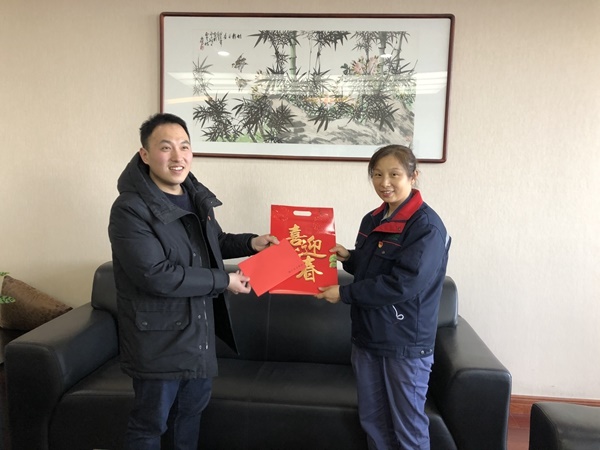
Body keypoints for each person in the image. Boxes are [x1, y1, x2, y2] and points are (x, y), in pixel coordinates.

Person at [108, 112, 278, 450]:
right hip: (158, 342)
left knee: (188, 419)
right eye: (166, 147)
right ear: (145, 154)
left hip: (197, 335)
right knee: (150, 425)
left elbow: (214, 242)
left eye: (184, 146)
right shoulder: (130, 209)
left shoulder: (194, 195)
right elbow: (156, 275)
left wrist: (250, 243)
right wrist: (223, 281)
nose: (178, 156)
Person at [316, 144, 451, 450]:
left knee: (407, 428)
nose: (384, 182)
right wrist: (349, 257)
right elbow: (373, 267)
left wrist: (345, 293)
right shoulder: (373, 219)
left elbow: (403, 284)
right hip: (368, 336)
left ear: (413, 176)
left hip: (404, 342)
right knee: (374, 422)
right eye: (377, 175)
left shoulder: (426, 227)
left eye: (394, 174)